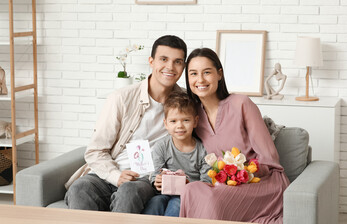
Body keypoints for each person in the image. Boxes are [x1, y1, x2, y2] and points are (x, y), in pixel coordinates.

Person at [64, 35, 187, 213]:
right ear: (151, 61)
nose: (170, 67)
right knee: (80, 189)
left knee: (129, 190)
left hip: (144, 179)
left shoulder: (187, 103)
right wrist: (115, 176)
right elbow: (95, 151)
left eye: (177, 62)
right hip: (108, 173)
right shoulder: (121, 98)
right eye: (163, 59)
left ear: (183, 67)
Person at [180, 48, 290, 223]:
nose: (200, 79)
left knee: (215, 198)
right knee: (190, 190)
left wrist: (240, 174)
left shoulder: (241, 104)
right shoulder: (194, 117)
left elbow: (270, 159)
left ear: (219, 74)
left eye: (207, 72)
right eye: (193, 73)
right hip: (225, 185)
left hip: (263, 183)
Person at [142, 91, 211, 217]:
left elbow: (206, 181)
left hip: (188, 195)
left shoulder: (203, 150)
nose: (180, 126)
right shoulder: (161, 146)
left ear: (195, 121)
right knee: (155, 202)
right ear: (166, 124)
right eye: (173, 121)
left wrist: (189, 184)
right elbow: (156, 173)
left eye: (185, 120)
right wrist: (156, 180)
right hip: (163, 193)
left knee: (176, 204)